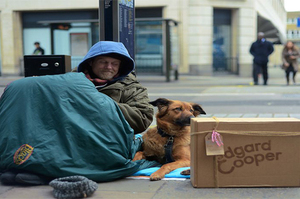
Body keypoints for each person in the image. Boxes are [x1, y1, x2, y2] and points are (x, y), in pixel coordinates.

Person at [0, 41, 155, 185]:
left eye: (114, 64)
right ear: (91, 62)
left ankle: (44, 174)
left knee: (74, 148)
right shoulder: (70, 80)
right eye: (103, 62)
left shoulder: (132, 88)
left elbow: (142, 118)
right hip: (66, 131)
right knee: (45, 137)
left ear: (121, 66)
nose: (109, 67)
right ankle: (25, 165)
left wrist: (96, 102)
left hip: (104, 139)